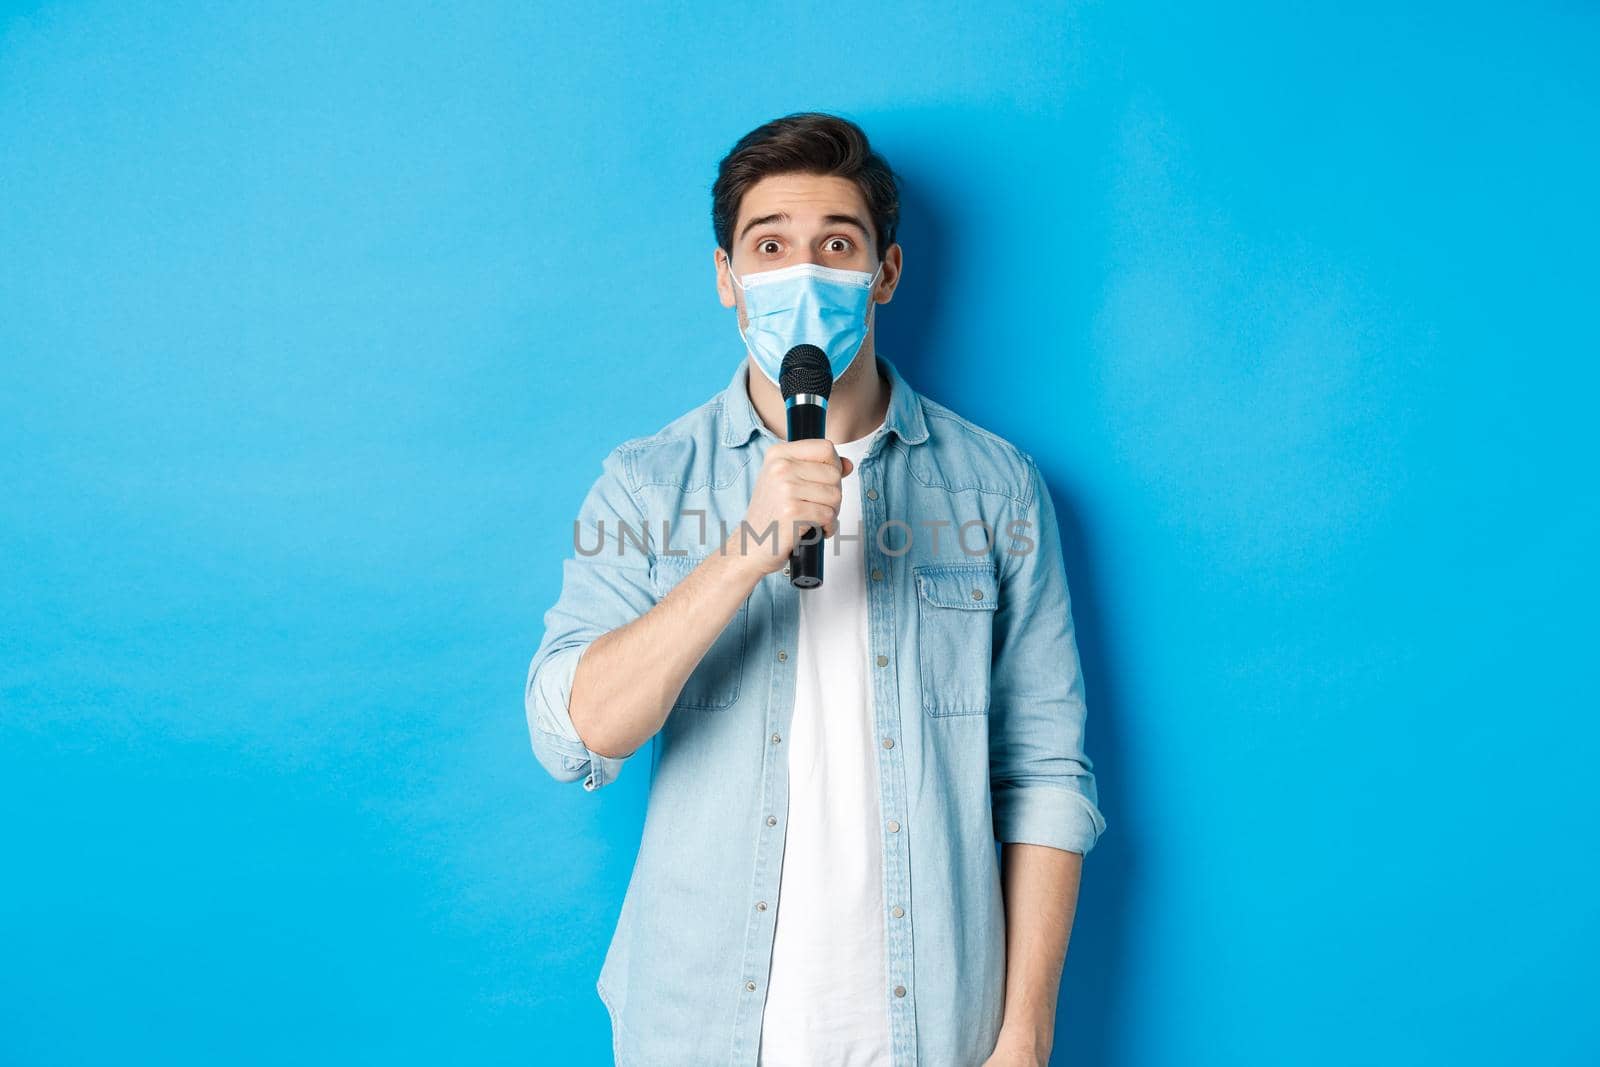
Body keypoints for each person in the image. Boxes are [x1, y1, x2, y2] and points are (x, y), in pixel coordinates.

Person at [524, 111, 1105, 1067]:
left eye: (836, 243)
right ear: (727, 279)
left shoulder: (997, 489)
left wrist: (1024, 1037)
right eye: (769, 245)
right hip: (699, 1028)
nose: (803, 272)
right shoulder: (647, 482)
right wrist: (743, 554)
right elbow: (572, 730)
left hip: (935, 1030)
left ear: (884, 272)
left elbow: (1045, 775)